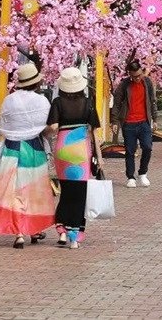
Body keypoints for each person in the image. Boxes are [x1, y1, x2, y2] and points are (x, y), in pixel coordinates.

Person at [0, 62, 58, 249]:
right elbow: (48, 128)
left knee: (13, 191)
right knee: (33, 190)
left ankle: (19, 233)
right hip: (33, 149)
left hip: (12, 149)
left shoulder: (10, 100)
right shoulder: (41, 102)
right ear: (36, 83)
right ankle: (32, 228)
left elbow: (4, 125)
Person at [47, 67, 103, 249]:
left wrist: (43, 132)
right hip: (81, 149)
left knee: (66, 191)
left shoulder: (57, 102)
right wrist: (99, 158)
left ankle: (62, 229)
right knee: (80, 193)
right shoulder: (88, 103)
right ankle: (75, 235)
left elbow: (53, 127)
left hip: (63, 148)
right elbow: (95, 132)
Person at [112, 58, 157, 188]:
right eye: (133, 76)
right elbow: (117, 103)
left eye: (138, 75)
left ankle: (142, 173)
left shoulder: (147, 83)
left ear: (142, 72)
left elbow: (153, 101)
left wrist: (155, 119)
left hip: (144, 122)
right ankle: (130, 176)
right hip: (129, 123)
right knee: (130, 151)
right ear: (130, 75)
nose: (137, 78)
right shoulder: (125, 85)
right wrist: (115, 121)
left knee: (147, 147)